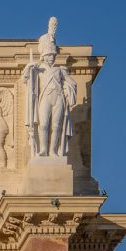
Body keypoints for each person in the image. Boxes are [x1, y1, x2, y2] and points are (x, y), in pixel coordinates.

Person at [23, 17, 77, 157]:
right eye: (49, 55)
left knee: (56, 126)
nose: (51, 57)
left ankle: (53, 151)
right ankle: (43, 150)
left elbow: (72, 83)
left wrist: (68, 88)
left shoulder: (60, 70)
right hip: (45, 98)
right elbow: (25, 80)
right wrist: (29, 67)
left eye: (53, 55)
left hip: (58, 98)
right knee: (43, 124)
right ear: (44, 56)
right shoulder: (38, 69)